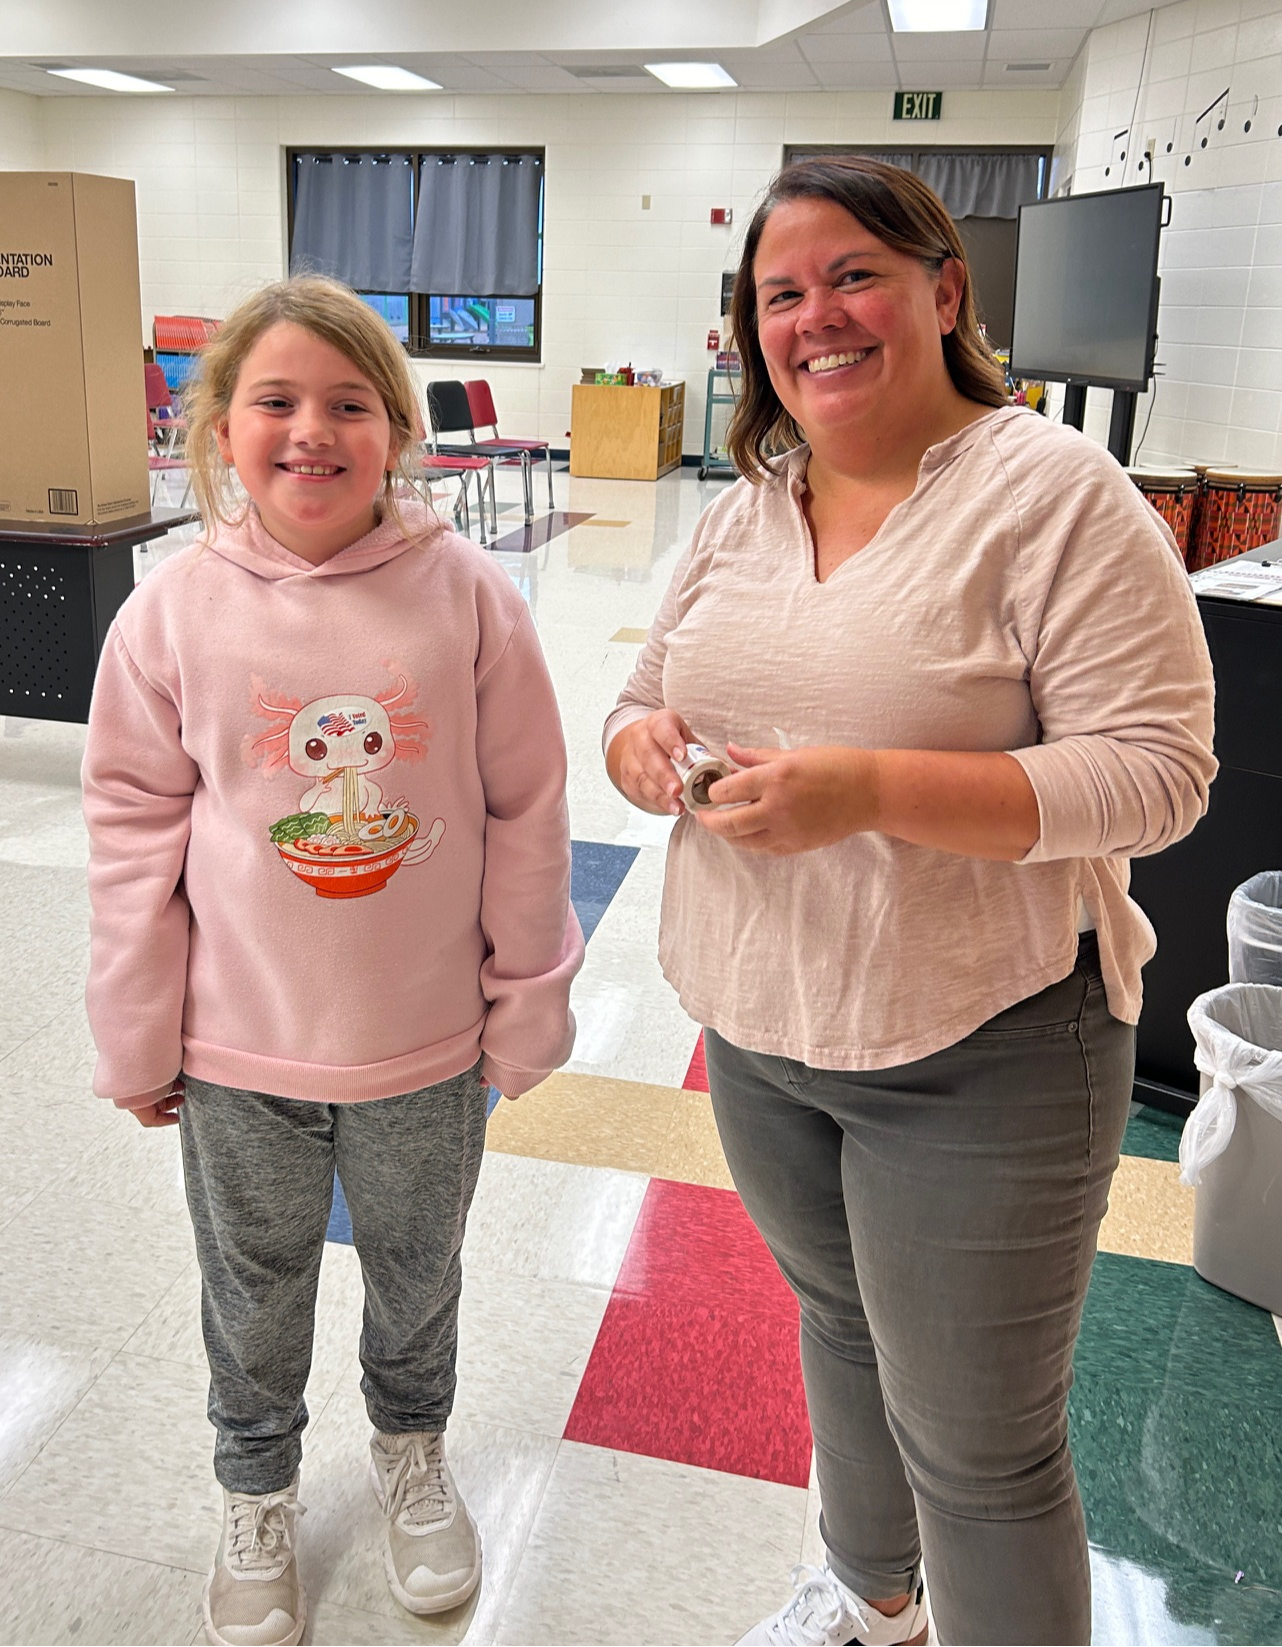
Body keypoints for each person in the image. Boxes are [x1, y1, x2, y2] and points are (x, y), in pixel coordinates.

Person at [604, 158, 1215, 1647]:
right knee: (837, 1324)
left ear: (946, 292)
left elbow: (1155, 775)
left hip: (981, 1040)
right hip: (759, 1022)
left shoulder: (1050, 492)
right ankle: (874, 1600)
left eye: (852, 275)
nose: (815, 317)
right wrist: (642, 749)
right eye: (779, 294)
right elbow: (640, 696)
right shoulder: (748, 498)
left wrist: (869, 789)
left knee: (983, 1452)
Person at [83, 276, 582, 1647]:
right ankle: (256, 1490)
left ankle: (411, 1450)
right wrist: (135, 1027)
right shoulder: (169, 613)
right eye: (277, 403)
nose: (314, 431)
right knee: (252, 1285)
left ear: (395, 428)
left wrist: (528, 996)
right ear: (219, 431)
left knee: (419, 1269)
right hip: (236, 1047)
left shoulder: (468, 596)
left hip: (424, 1043)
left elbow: (527, 807)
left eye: (349, 404)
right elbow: (131, 826)